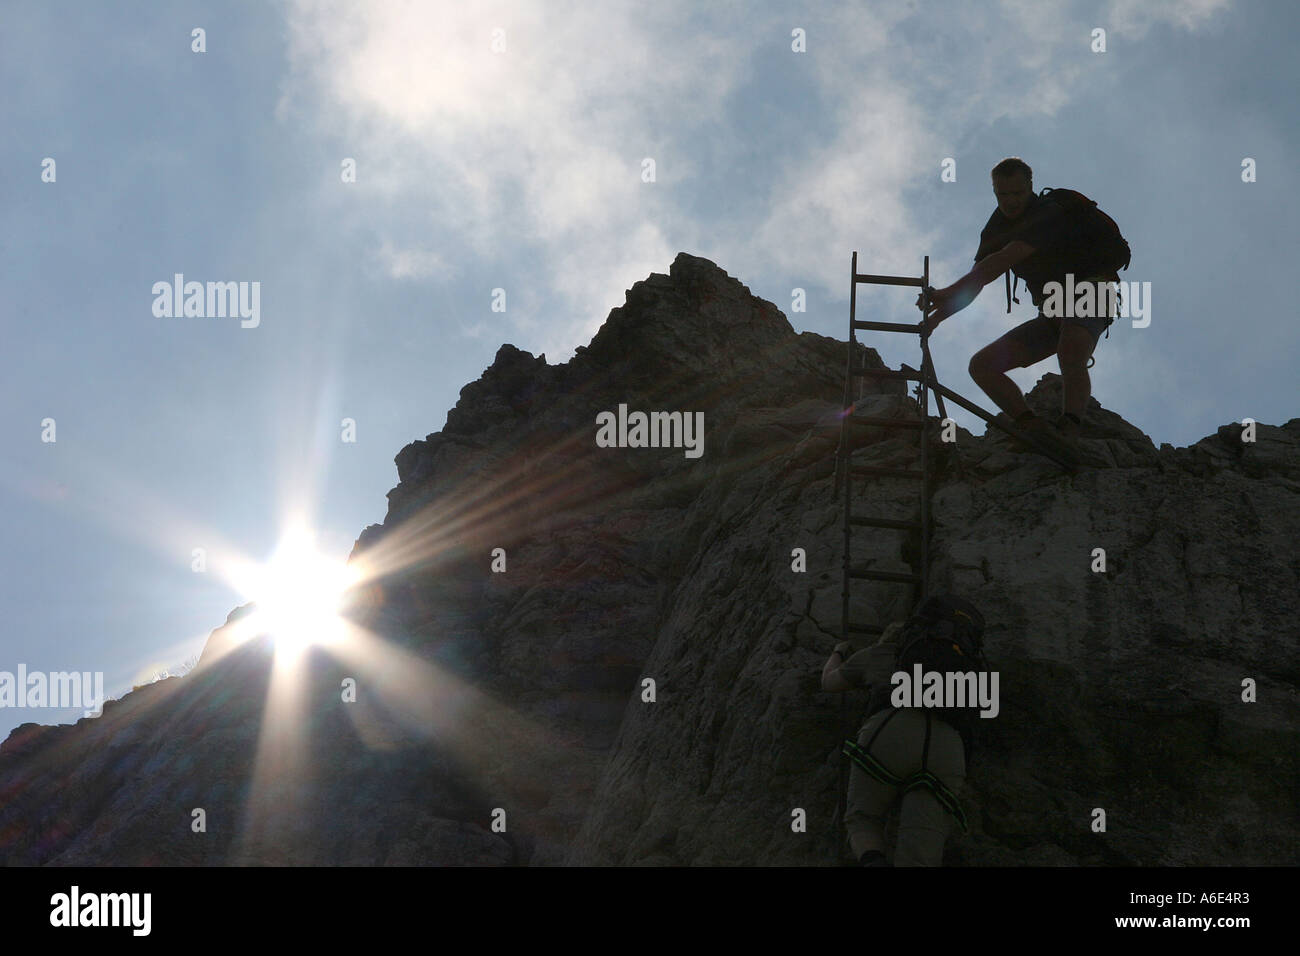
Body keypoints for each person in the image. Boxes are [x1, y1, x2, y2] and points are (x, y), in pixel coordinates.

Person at [919, 157, 1121, 456]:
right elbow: (978, 280)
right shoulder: (995, 228)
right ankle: (1032, 427)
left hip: (1092, 290)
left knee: (1071, 348)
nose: (1011, 202)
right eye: (1003, 195)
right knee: (982, 366)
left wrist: (945, 293)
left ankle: (1070, 428)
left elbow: (1000, 262)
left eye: (1017, 194)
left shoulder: (1047, 213)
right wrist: (937, 318)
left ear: (1030, 188)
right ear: (994, 191)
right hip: (1053, 309)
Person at [822, 620, 968, 867]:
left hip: (892, 729)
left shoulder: (877, 653)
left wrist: (838, 651)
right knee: (921, 852)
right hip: (948, 743)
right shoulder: (952, 662)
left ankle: (874, 862)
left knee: (863, 818)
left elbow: (828, 682)